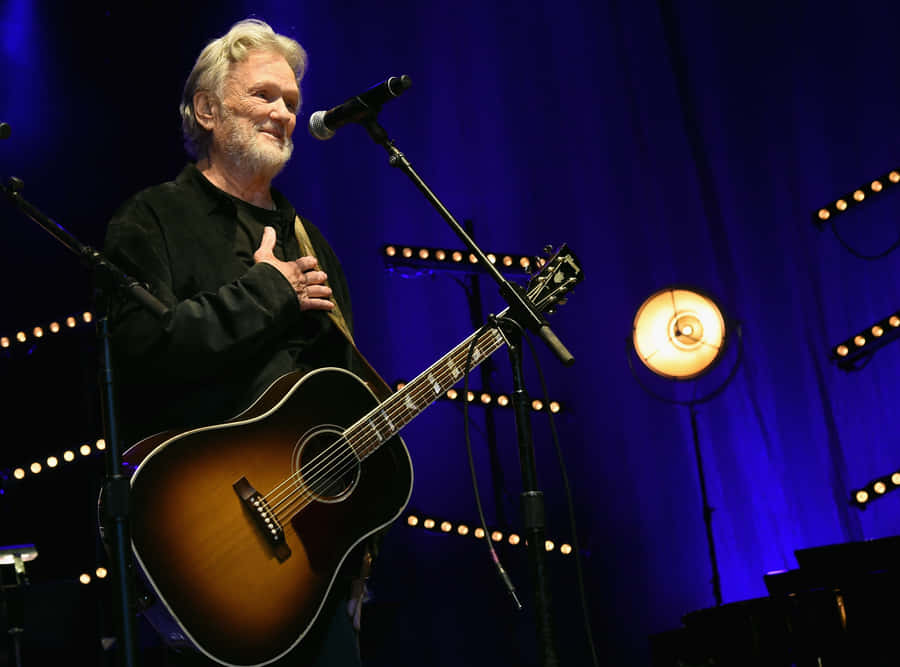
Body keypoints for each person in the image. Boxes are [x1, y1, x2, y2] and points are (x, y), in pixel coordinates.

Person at [103, 18, 382, 667]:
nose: (284, 113)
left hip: (311, 566)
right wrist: (267, 291)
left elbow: (337, 400)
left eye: (291, 101)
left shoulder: (311, 241)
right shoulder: (150, 219)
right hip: (208, 563)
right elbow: (143, 351)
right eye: (264, 95)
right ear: (206, 108)